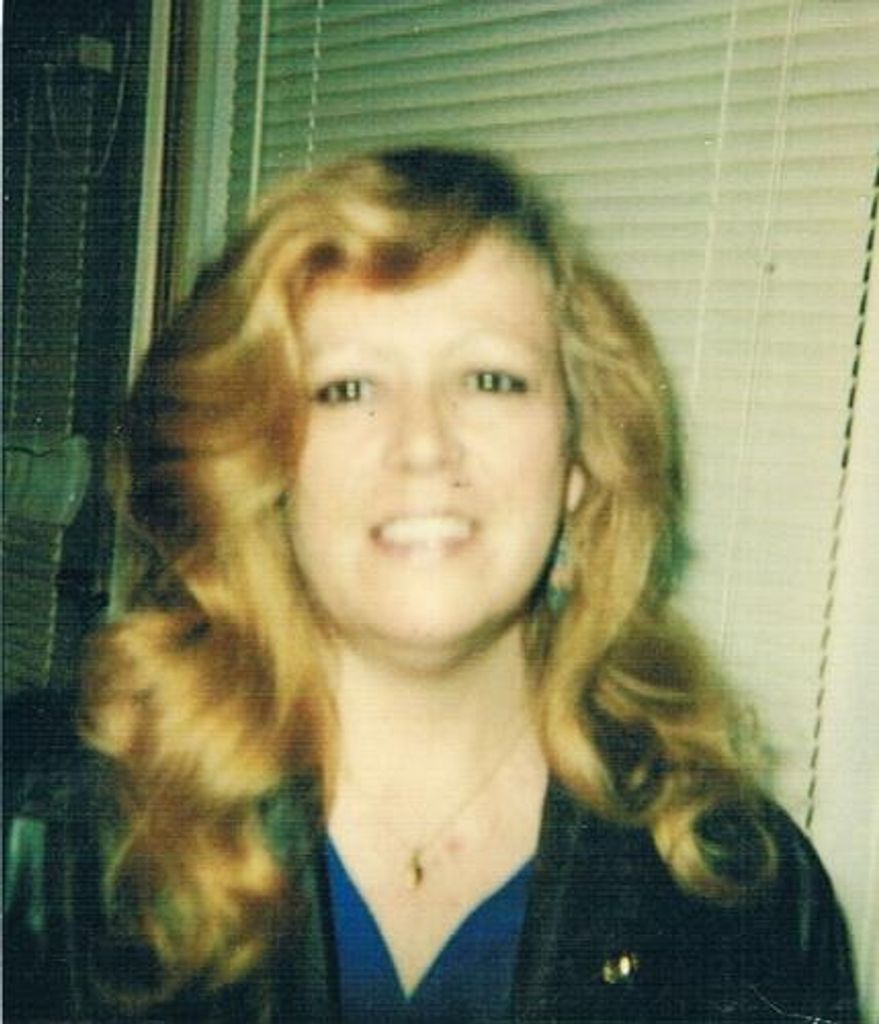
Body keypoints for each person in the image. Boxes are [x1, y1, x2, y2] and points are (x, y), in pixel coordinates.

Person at [4, 147, 860, 1022]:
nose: (421, 445)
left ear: (578, 460)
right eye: (346, 389)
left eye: (490, 380)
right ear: (265, 461)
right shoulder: (39, 835)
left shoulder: (738, 893)